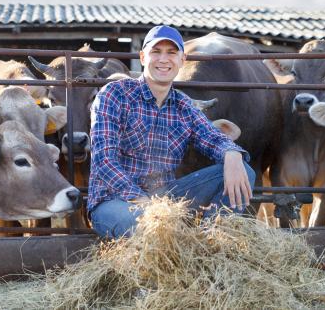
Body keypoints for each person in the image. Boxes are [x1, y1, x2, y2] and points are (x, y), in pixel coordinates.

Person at [88, 25, 255, 239]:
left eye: (172, 52)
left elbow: (213, 138)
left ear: (182, 60)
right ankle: (171, 239)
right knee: (145, 227)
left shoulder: (184, 106)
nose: (163, 59)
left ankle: (209, 243)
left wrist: (232, 154)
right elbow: (104, 161)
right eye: (156, 52)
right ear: (142, 57)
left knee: (244, 171)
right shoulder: (114, 94)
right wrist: (145, 205)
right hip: (115, 202)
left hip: (163, 200)